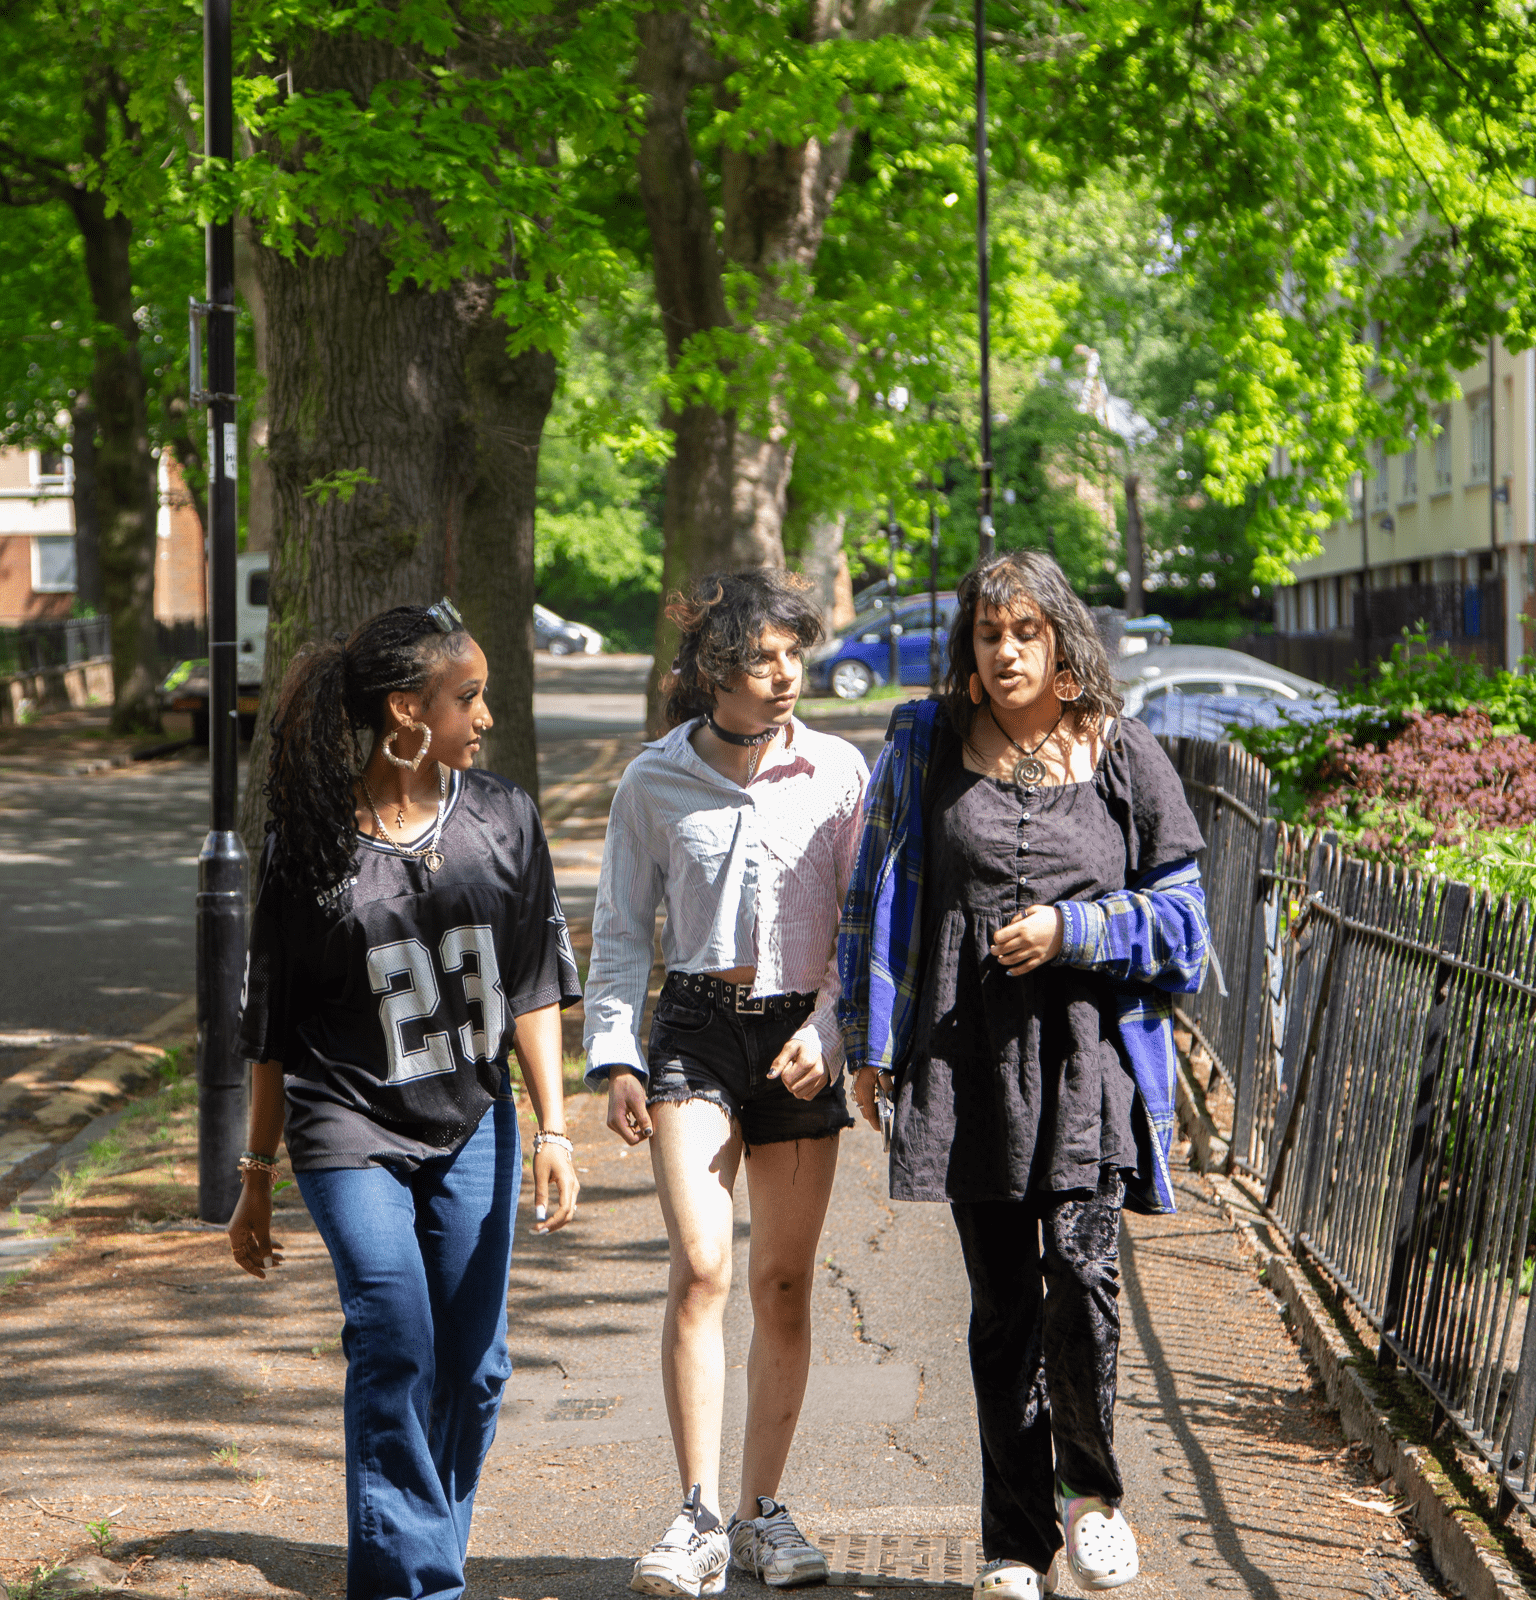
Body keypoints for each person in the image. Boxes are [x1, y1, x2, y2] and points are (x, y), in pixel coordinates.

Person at [837, 552, 1210, 1599]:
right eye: (989, 633)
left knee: (1082, 1279)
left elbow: (1188, 923)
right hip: (966, 1063)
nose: (1006, 652)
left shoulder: (1122, 751)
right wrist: (870, 1041)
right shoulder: (928, 741)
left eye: (1026, 632)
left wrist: (1073, 929)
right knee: (1002, 1307)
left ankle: (1092, 1495)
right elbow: (875, 892)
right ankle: (1013, 1541)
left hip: (1089, 1059)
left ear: (1061, 642)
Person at [228, 598, 582, 1600]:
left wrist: (554, 1128)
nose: (486, 716)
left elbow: (533, 982)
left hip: (473, 1121)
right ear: (406, 711)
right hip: (347, 1126)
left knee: (473, 1369)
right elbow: (272, 1026)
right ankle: (416, 1586)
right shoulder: (310, 844)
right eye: (468, 697)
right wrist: (256, 1174)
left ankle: (423, 1551)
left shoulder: (503, 816)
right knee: (393, 1337)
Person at [585, 571, 868, 1597]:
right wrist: (617, 1054)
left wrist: (832, 1031)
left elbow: (863, 925)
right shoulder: (653, 781)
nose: (785, 674)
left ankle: (761, 1512)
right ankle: (697, 1514)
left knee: (782, 1281)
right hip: (696, 1033)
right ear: (715, 670)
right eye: (762, 658)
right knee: (702, 1268)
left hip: (800, 1040)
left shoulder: (839, 773)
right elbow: (622, 929)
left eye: (795, 654)